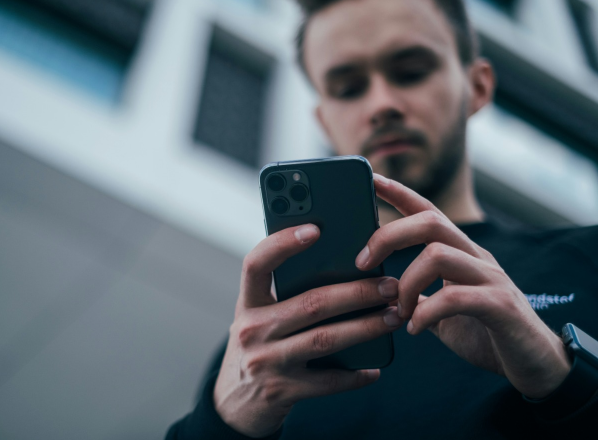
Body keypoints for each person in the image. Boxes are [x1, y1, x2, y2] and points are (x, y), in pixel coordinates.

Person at [166, 0, 598, 438]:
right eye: (349, 88)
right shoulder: (266, 343)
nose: (382, 104)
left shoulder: (588, 258)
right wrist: (222, 422)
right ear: (325, 123)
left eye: (410, 72)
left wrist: (562, 375)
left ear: (477, 86)